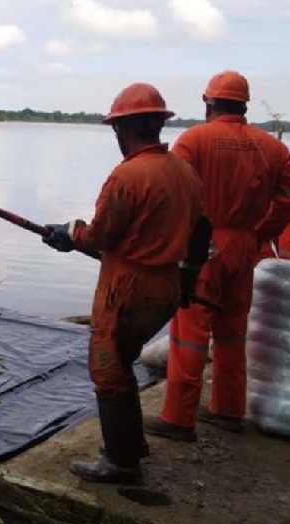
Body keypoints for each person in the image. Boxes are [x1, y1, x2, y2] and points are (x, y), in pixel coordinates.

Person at [42, 83, 206, 484]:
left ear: (124, 129)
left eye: (116, 129)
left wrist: (70, 233)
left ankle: (120, 462)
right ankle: (131, 446)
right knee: (125, 362)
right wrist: (188, 278)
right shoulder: (183, 170)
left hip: (129, 288)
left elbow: (101, 237)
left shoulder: (128, 176)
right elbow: (202, 231)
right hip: (167, 284)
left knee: (108, 370)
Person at [147, 70, 290, 442]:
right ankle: (229, 410)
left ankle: (178, 418)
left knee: (189, 331)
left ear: (209, 103)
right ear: (244, 105)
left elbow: (171, 189)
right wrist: (262, 230)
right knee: (233, 331)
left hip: (203, 246)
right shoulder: (272, 148)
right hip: (245, 248)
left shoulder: (195, 139)